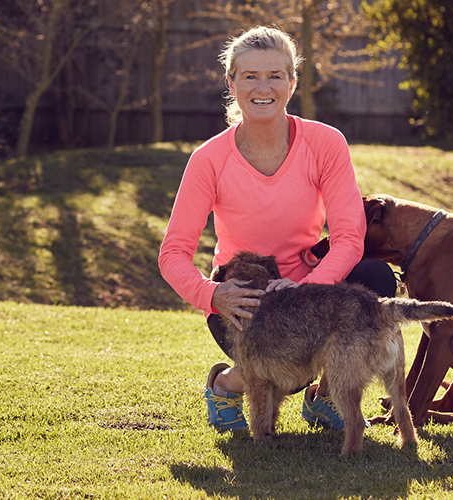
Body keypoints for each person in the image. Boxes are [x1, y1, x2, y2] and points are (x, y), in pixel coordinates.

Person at [157, 26, 396, 432]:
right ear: (231, 83)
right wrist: (214, 295)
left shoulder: (325, 143)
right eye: (250, 76)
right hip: (245, 298)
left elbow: (349, 237)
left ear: (292, 82)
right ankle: (226, 384)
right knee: (286, 369)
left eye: (275, 76)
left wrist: (310, 287)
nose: (262, 87)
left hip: (310, 286)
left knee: (375, 280)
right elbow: (173, 253)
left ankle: (324, 399)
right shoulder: (208, 159)